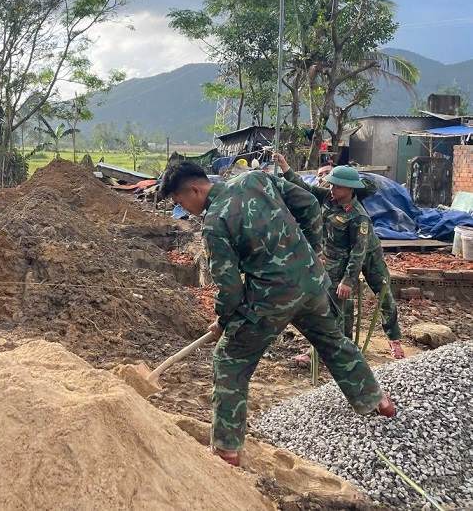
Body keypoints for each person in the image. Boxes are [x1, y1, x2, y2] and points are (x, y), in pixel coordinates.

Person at [158, 162, 395, 466]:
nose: (185, 209)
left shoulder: (215, 222)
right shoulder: (257, 179)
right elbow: (309, 203)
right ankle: (378, 402)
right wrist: (309, 250)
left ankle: (226, 450)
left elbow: (229, 288)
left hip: (271, 299)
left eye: (181, 202)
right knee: (334, 343)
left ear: (194, 189)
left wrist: (224, 319)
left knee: (229, 361)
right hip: (311, 282)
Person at [273, 155, 405, 360]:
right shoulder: (328, 197)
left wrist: (348, 280)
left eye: (337, 187)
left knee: (384, 294)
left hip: (367, 254)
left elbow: (358, 251)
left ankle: (394, 338)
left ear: (350, 189)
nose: (332, 189)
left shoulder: (358, 216)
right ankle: (334, 348)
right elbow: (303, 187)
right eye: (331, 185)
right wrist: (285, 166)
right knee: (334, 302)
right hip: (336, 257)